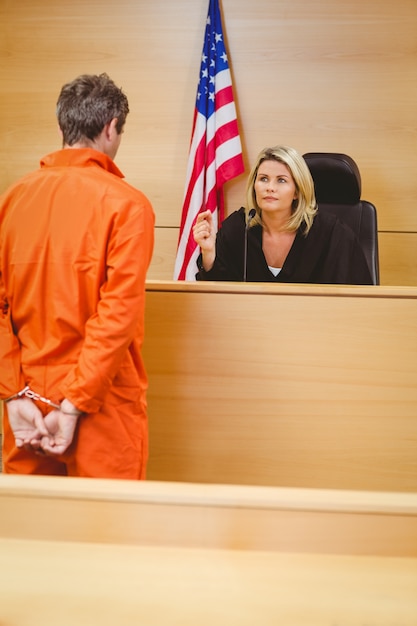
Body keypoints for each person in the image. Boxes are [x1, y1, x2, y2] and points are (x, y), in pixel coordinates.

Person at [0, 73, 155, 478]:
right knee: (107, 532)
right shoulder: (129, 206)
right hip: (102, 404)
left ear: (61, 127)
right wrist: (74, 403)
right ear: (110, 128)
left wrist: (13, 394)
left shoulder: (12, 200)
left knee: (28, 532)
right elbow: (117, 315)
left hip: (27, 405)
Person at [193, 145, 373, 284]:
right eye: (263, 179)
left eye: (281, 180)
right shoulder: (239, 228)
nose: (270, 187)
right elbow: (216, 296)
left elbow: (358, 296)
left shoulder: (333, 234)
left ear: (297, 191)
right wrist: (209, 252)